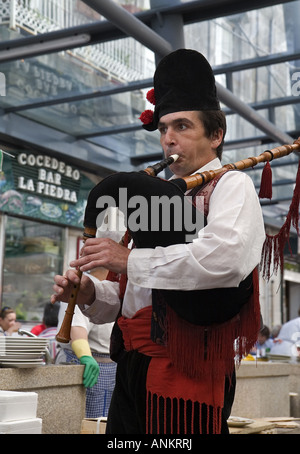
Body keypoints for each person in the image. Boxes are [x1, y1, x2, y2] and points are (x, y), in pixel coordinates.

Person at [51, 49, 265, 434]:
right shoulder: (157, 197)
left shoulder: (231, 185)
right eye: (164, 129)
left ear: (216, 135)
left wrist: (128, 260)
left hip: (187, 368)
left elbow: (225, 260)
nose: (169, 140)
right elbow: (133, 298)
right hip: (132, 365)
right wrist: (88, 293)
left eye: (182, 127)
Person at [55, 299, 117, 418]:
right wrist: (85, 356)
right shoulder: (79, 286)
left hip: (111, 365)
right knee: (83, 422)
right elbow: (76, 326)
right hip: (86, 362)